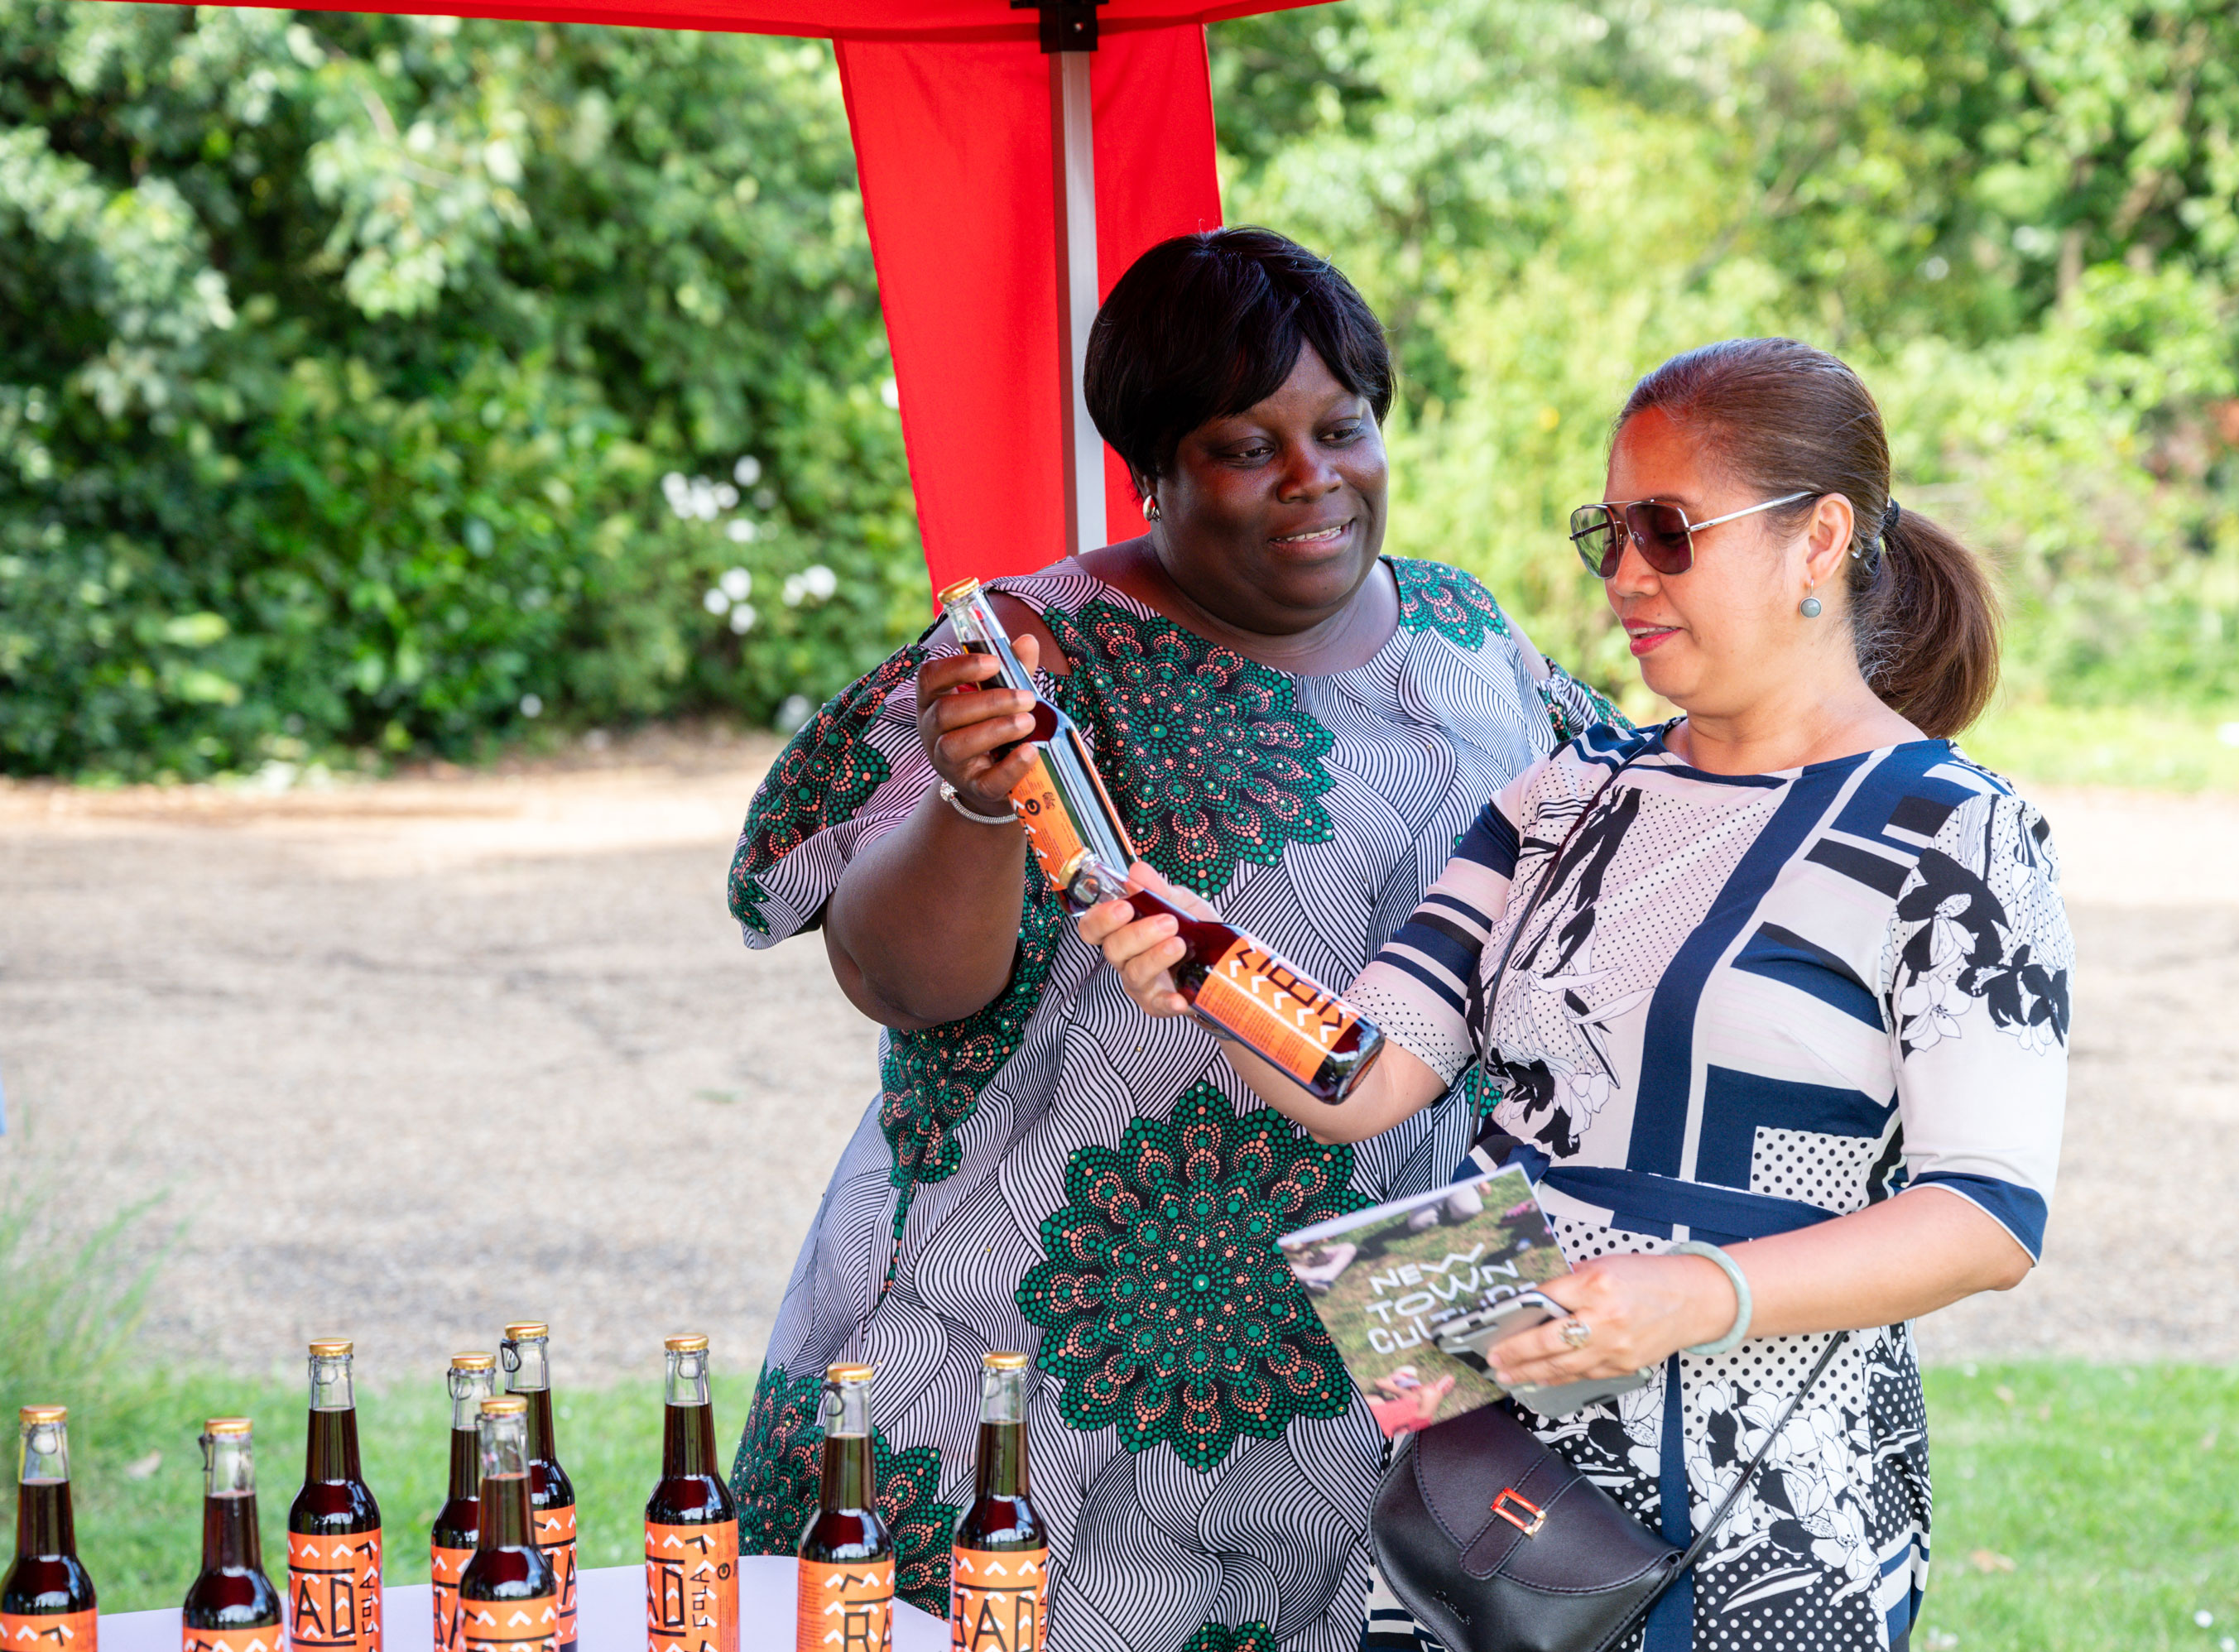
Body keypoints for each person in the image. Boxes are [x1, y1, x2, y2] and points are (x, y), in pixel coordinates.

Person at [1083, 338, 2072, 1652]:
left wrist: (1691, 1291)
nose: (1623, 578)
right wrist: (1209, 965)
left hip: (1762, 1503)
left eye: (1667, 532)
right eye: (1608, 533)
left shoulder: (1959, 833)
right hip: (1482, 1484)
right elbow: (1373, 1074)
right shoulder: (1563, 793)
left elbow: (1988, 1219)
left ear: (1820, 540)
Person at [723, 227, 1617, 1650]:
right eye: (1243, 447)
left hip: (1393, 1320)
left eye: (1342, 428)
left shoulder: (1470, 636)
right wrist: (974, 797)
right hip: (1045, 1329)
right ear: (1151, 467)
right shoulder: (1026, 656)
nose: (1314, 477)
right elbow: (898, 982)